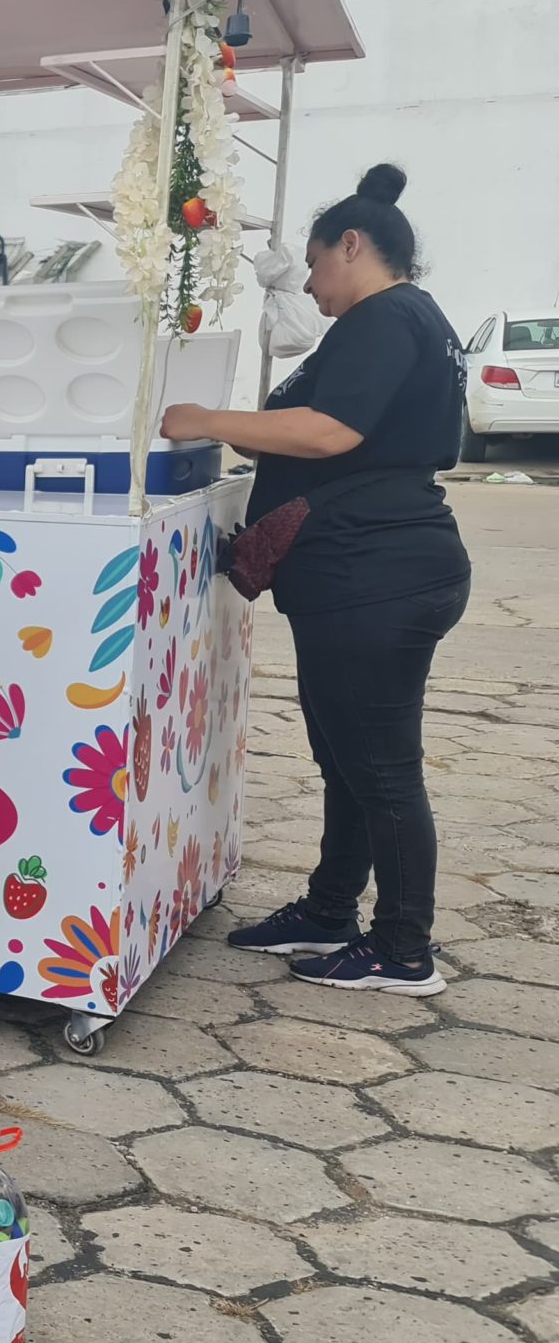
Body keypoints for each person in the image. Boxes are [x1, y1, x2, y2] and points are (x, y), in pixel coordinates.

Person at [163, 163, 468, 996]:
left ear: (353, 245)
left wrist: (204, 420)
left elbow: (331, 430)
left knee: (381, 768)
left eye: (315, 263)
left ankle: (403, 948)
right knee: (347, 758)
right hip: (370, 572)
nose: (312, 285)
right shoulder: (413, 319)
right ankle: (331, 908)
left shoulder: (384, 316)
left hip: (379, 574)